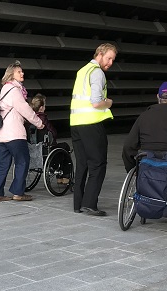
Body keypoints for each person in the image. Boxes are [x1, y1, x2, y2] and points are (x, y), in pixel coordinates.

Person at [70, 43, 117, 217]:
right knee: (98, 165)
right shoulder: (97, 73)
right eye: (109, 58)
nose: (110, 62)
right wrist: (109, 102)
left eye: (113, 59)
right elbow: (96, 102)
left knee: (82, 163)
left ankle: (78, 204)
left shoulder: (82, 71)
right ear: (99, 54)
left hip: (76, 123)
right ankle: (89, 205)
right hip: (91, 123)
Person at [0, 61, 44, 203]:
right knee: (23, 161)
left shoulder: (4, 89)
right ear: (11, 75)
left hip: (1, 135)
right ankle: (18, 193)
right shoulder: (14, 91)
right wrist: (39, 123)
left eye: (22, 71)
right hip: (13, 134)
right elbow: (25, 109)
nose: (22, 73)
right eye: (19, 72)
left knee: (3, 165)